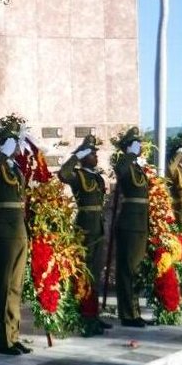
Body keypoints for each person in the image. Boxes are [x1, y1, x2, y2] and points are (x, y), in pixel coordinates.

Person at [0, 120, 31, 355]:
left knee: (16, 286)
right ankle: (2, 341)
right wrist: (2, 153)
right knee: (2, 285)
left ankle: (13, 335)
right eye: (12, 142)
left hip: (18, 228)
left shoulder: (14, 167)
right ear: (3, 144)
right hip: (3, 227)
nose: (16, 146)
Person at [58, 134, 112, 334]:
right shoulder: (78, 175)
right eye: (91, 153)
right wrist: (76, 156)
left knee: (96, 273)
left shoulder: (97, 177)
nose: (96, 156)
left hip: (97, 227)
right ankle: (83, 315)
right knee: (84, 273)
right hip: (84, 229)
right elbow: (63, 173)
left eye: (96, 153)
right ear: (83, 156)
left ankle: (93, 314)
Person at [113, 127, 149, 327]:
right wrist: (130, 154)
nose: (140, 146)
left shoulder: (137, 167)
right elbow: (120, 170)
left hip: (141, 222)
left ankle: (134, 310)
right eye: (135, 143)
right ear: (128, 147)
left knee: (136, 269)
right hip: (130, 223)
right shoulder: (124, 163)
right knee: (127, 269)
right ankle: (127, 314)